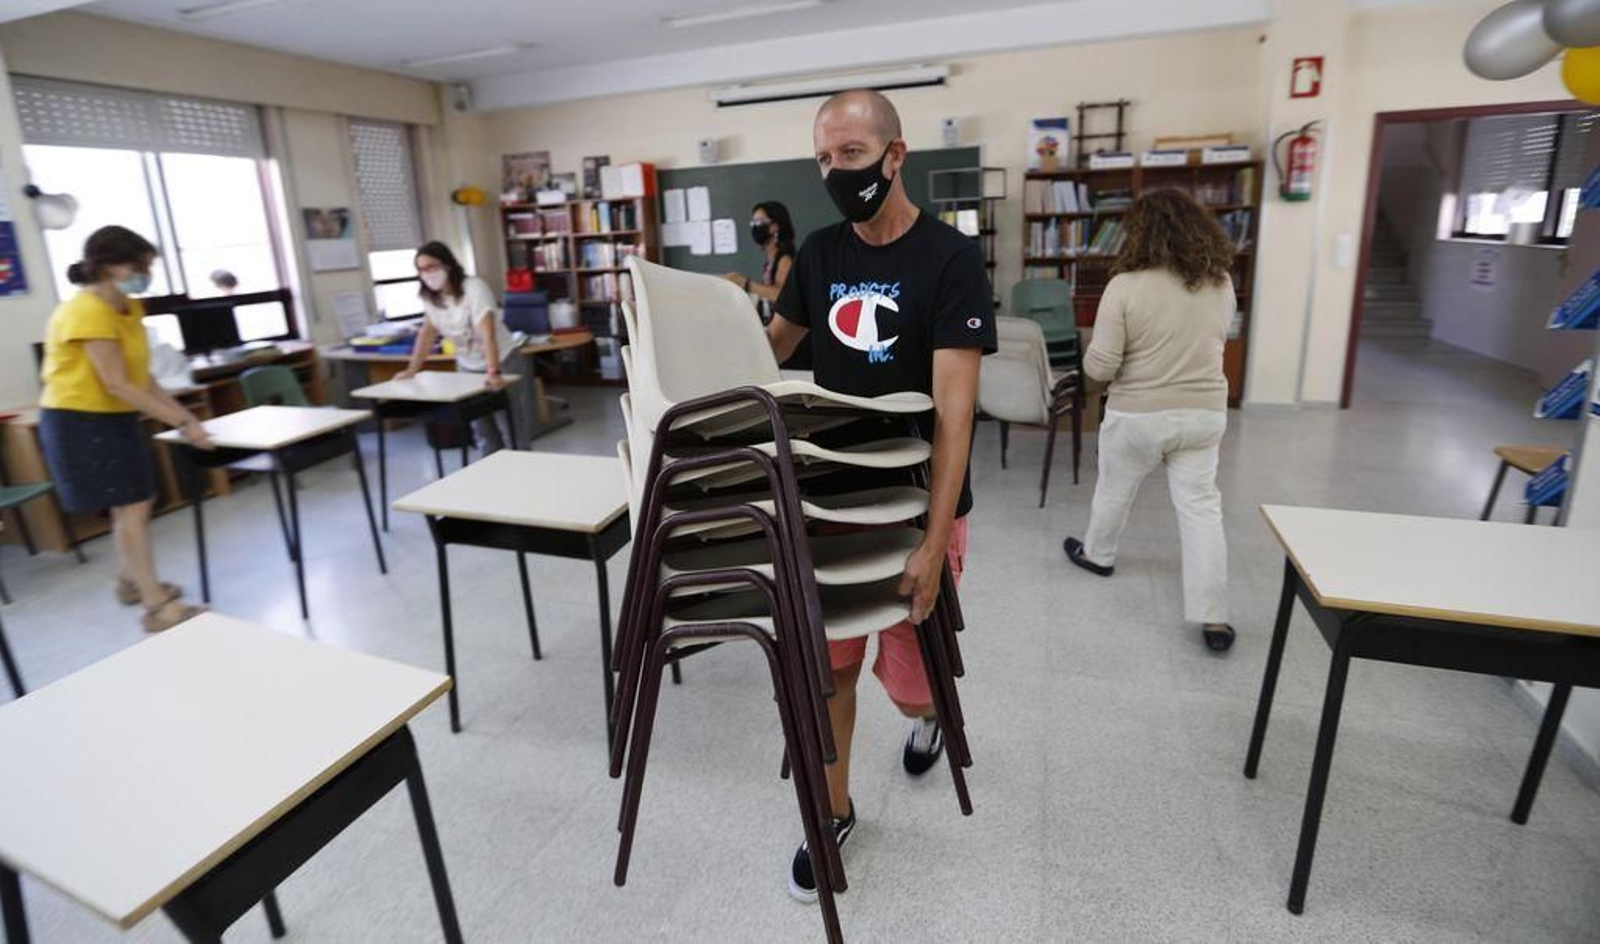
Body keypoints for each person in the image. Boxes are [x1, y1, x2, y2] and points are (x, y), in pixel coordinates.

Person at [766, 89, 995, 903]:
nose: (835, 173)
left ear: (897, 156)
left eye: (852, 156)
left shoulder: (950, 260)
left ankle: (926, 714)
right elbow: (768, 357)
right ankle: (830, 813)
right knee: (829, 674)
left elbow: (955, 414)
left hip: (913, 505)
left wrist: (934, 544)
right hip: (830, 506)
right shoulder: (821, 256)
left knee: (908, 683)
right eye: (823, 159)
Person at [1060, 188, 1237, 653]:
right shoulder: (1220, 282)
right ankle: (1214, 618)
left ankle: (1099, 556)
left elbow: (1100, 367)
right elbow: (1221, 335)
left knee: (1115, 489)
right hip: (1204, 414)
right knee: (1201, 509)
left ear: (1138, 233)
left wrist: (1095, 365)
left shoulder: (1125, 286)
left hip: (1138, 415)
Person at [37, 226, 213, 632]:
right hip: (80, 420)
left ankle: (129, 581)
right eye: (138, 266)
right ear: (105, 267)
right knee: (131, 508)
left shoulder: (128, 308)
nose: (145, 274)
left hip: (114, 416)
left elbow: (143, 377)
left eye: (147, 266)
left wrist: (186, 418)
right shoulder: (85, 311)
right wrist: (184, 423)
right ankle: (156, 606)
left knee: (135, 503)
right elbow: (116, 382)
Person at [394, 241, 520, 453]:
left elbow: (487, 334)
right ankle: (493, 475)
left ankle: (522, 477)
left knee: (510, 428)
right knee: (481, 430)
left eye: (432, 267)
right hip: (467, 366)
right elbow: (427, 333)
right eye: (421, 270)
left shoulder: (473, 288)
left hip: (501, 361)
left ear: (448, 265)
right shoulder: (430, 297)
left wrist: (493, 372)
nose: (427, 274)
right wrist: (412, 369)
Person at [723, 200, 797, 324]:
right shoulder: (771, 260)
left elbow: (782, 296)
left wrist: (745, 283)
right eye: (753, 223)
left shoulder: (784, 260)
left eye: (760, 222)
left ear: (775, 226)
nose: (755, 227)